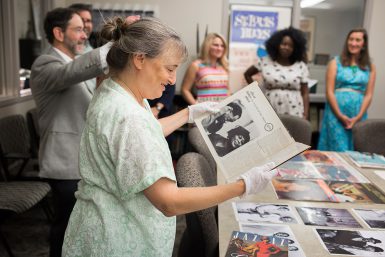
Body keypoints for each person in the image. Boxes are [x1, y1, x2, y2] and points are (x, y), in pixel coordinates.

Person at [61, 17, 277, 257]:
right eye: (170, 68)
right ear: (140, 59)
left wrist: (188, 113)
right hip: (118, 240)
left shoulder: (116, 90)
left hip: (97, 226)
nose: (173, 80)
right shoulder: (129, 118)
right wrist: (241, 186)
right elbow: (169, 201)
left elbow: (142, 136)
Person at [29, 8, 139, 257]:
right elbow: (69, 73)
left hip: (83, 159)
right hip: (64, 162)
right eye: (78, 29)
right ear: (58, 33)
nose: (84, 34)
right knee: (66, 226)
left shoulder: (77, 62)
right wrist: (118, 43)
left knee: (78, 227)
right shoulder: (45, 64)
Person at [318, 28, 376, 151]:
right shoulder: (335, 63)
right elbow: (329, 92)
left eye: (358, 40)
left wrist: (359, 116)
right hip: (335, 114)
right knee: (337, 148)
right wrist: (340, 115)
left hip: (357, 114)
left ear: (364, 43)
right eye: (351, 39)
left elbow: (369, 95)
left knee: (355, 148)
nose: (353, 43)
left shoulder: (370, 67)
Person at [244, 27, 310, 119]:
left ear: (295, 49)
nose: (286, 47)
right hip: (270, 107)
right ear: (277, 44)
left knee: (293, 132)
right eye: (284, 44)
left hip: (295, 110)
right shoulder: (265, 61)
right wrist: (258, 94)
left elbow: (305, 93)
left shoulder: (301, 66)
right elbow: (247, 74)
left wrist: (305, 115)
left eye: (291, 46)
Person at [181, 33, 229, 104]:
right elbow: (184, 90)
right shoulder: (196, 65)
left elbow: (227, 89)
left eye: (222, 46)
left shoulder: (224, 66)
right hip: (204, 110)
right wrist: (196, 106)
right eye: (216, 45)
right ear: (207, 46)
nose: (219, 48)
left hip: (222, 110)